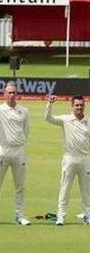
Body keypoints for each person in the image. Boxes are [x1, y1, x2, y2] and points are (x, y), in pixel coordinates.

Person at [0, 79, 31, 226]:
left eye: (14, 93)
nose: (11, 95)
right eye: (9, 93)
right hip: (3, 150)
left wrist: (19, 144)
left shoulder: (24, 111)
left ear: (17, 94)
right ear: (4, 94)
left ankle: (20, 216)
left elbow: (26, 131)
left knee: (20, 186)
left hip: (19, 151)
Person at [45, 95, 90, 226]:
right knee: (65, 188)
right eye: (77, 105)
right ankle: (61, 216)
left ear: (84, 106)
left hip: (85, 159)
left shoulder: (88, 121)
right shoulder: (66, 119)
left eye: (81, 105)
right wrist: (50, 104)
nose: (79, 107)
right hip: (69, 158)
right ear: (72, 106)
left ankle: (87, 215)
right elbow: (49, 118)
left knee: (86, 190)